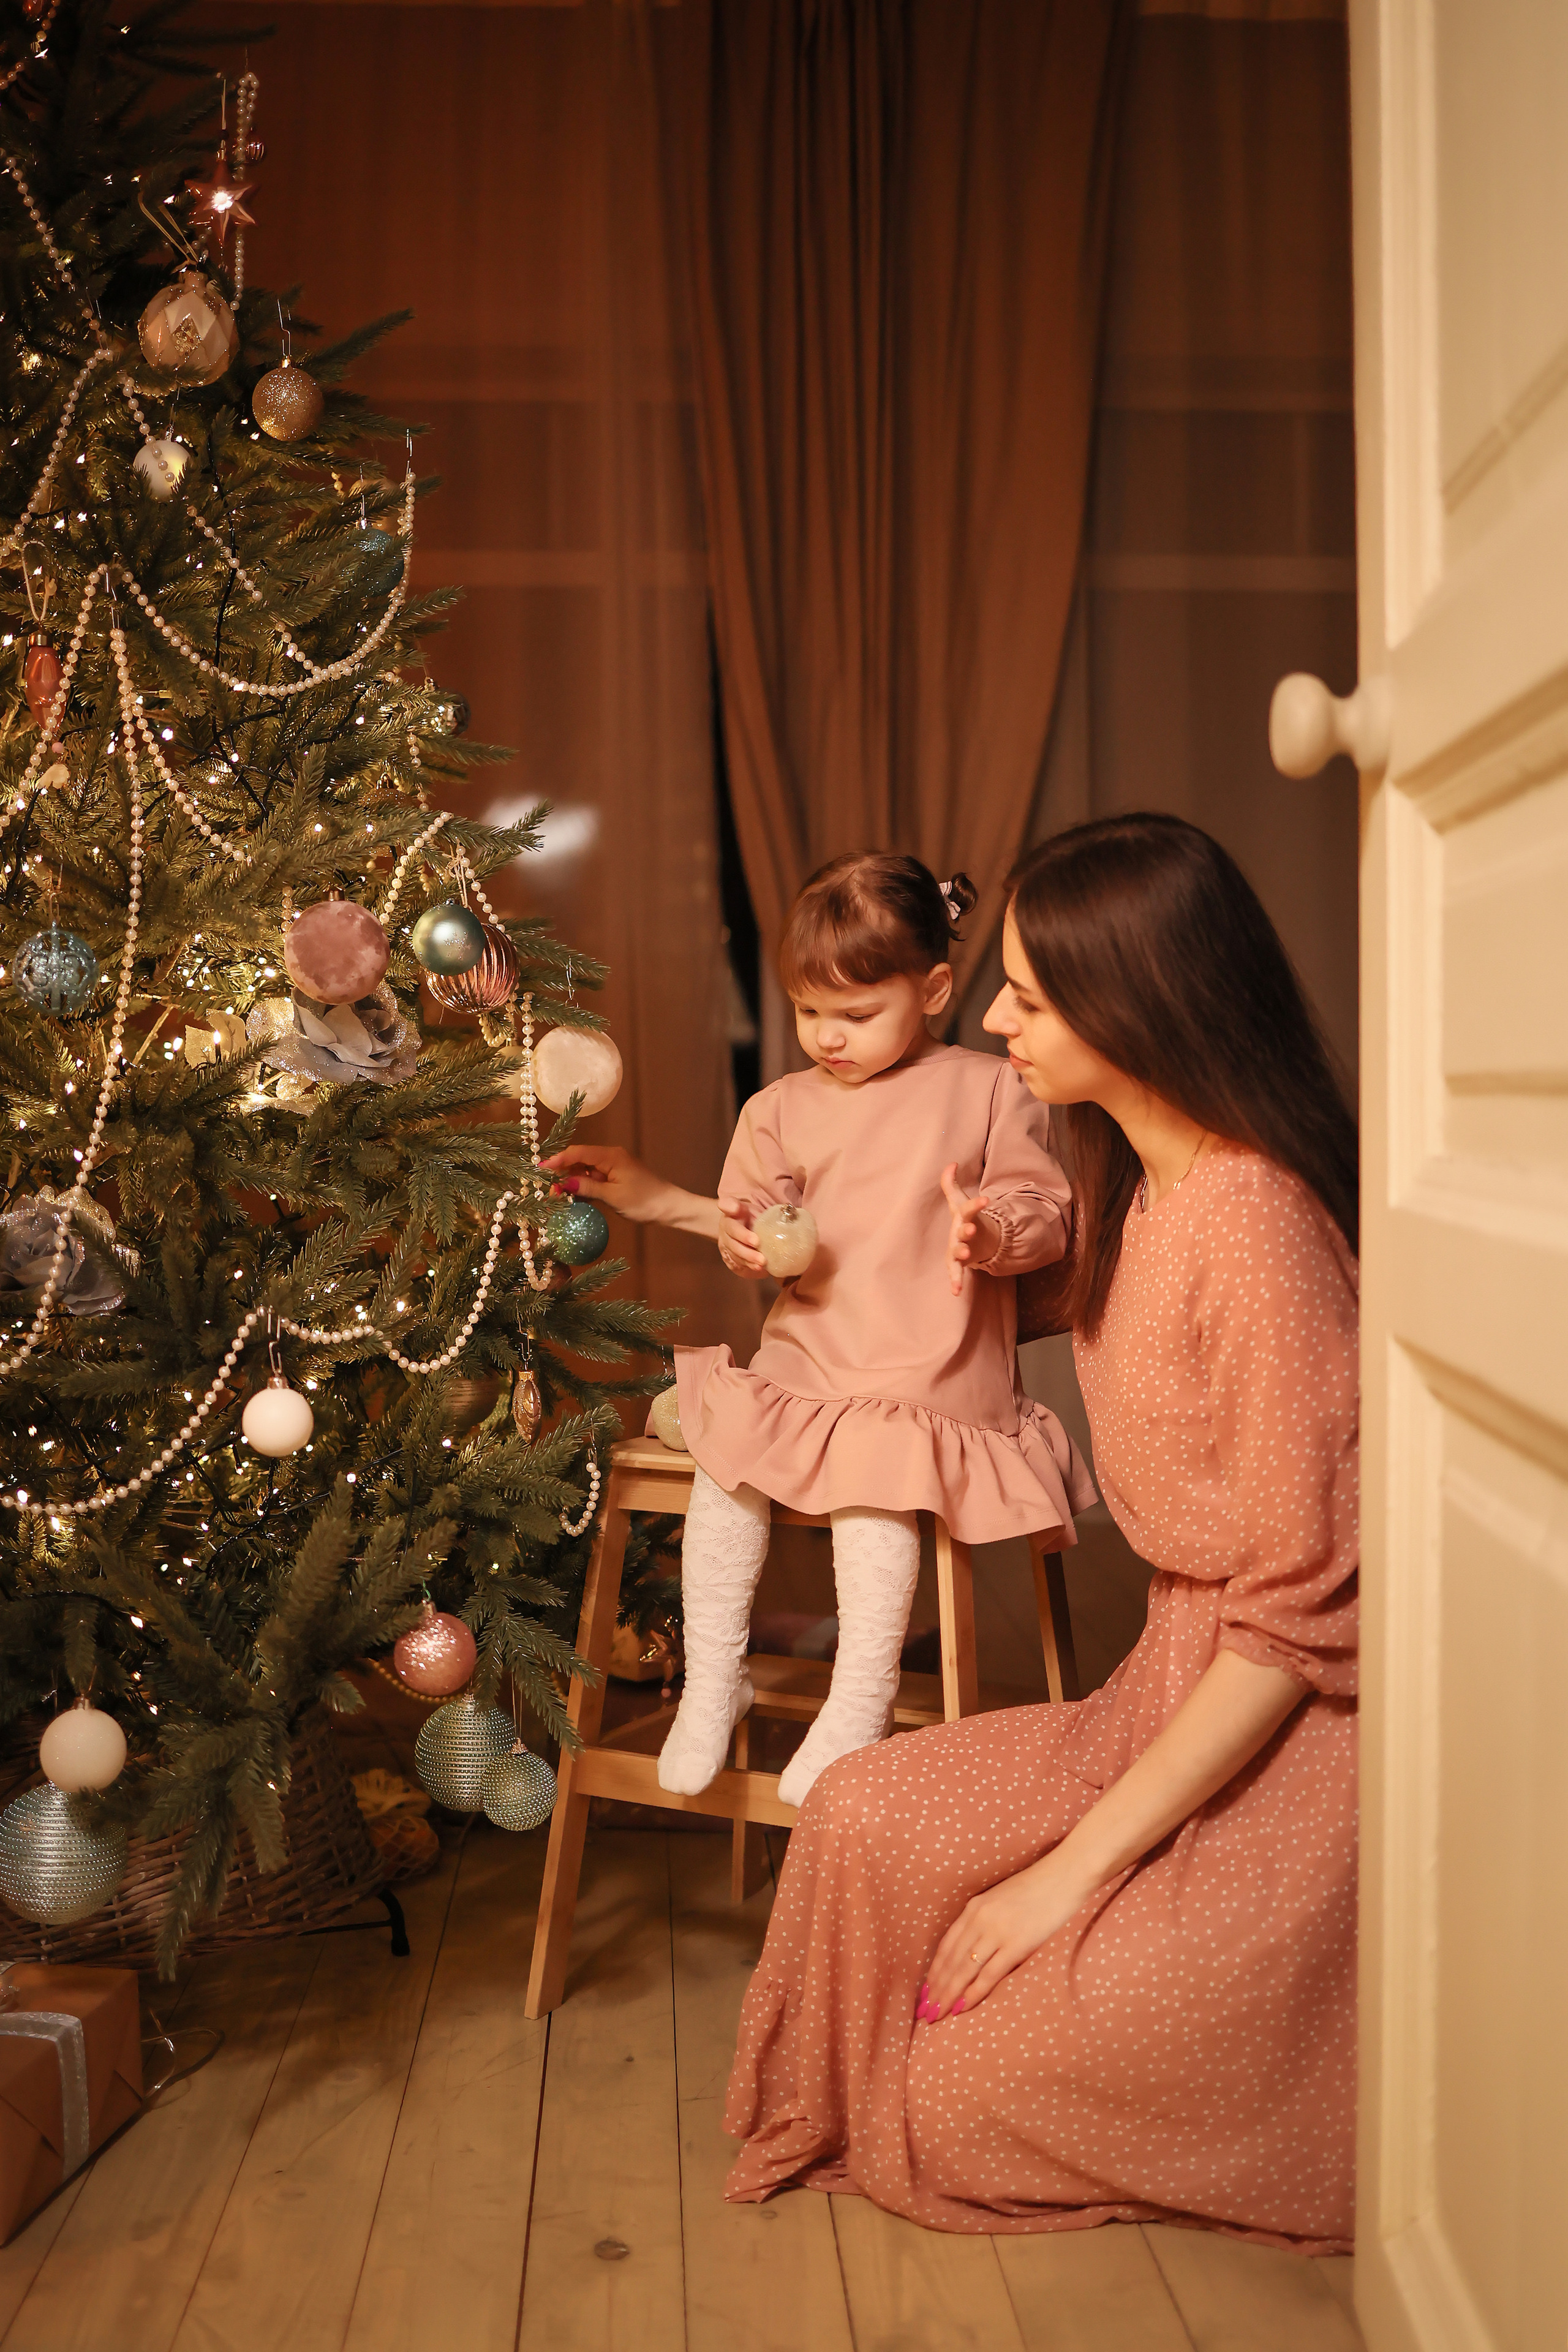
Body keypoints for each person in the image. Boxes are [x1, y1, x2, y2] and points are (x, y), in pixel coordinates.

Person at [551, 813, 1360, 2249]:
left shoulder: (1249, 1224)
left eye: (1029, 999)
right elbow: (897, 1282)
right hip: (1159, 1691)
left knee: (944, 2087)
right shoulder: (1138, 1187)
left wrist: (1067, 1872)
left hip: (1289, 1736)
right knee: (856, 1814)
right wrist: (700, 1213)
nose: (992, 1019)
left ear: (1137, 1002)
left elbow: (1298, 1616)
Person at [649, 851, 1093, 1806]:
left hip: (928, 1370)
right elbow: (749, 1219)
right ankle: (715, 1680)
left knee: (876, 1484)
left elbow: (1046, 1212)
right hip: (810, 1358)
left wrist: (990, 1232)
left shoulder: (990, 1087)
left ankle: (860, 1699)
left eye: (856, 1014)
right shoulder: (779, 1107)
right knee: (727, 1467)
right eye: (809, 1011)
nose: (828, 1037)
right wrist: (751, 1245)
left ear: (932, 990)